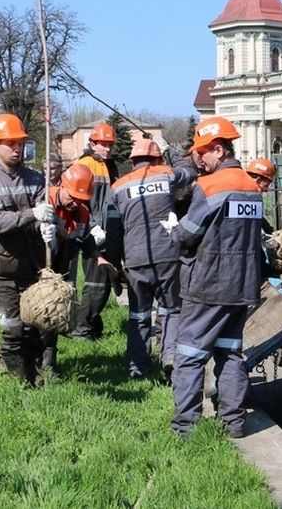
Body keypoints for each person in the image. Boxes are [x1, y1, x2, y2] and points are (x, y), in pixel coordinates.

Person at [165, 116, 263, 439]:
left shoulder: (209, 187)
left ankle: (185, 429)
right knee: (230, 353)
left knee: (190, 355)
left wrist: (173, 229)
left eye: (203, 153)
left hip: (207, 286)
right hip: (242, 286)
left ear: (218, 150)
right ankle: (234, 424)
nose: (199, 159)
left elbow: (188, 234)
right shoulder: (252, 186)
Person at [112, 138, 196, 382]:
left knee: (138, 315)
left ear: (132, 161)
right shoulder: (166, 175)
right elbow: (189, 172)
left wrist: (115, 262)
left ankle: (137, 368)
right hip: (168, 255)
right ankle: (170, 356)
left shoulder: (117, 187)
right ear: (158, 158)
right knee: (171, 310)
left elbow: (114, 228)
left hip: (135, 259)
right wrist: (173, 152)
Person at [0, 113, 47, 386]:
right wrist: (33, 214)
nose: (17, 149)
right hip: (2, 269)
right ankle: (19, 381)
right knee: (12, 328)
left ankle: (35, 374)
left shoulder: (36, 178)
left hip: (32, 266)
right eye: (10, 143)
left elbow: (44, 213)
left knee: (33, 326)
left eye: (20, 143)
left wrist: (49, 226)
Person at [32, 162, 103, 378]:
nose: (75, 203)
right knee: (35, 316)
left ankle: (49, 364)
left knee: (55, 314)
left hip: (61, 268)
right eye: (72, 196)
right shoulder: (47, 200)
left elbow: (81, 239)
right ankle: (31, 362)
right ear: (62, 186)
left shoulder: (81, 212)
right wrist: (41, 232)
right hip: (36, 266)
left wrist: (94, 248)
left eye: (81, 199)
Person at [70, 122, 124, 340]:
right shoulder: (85, 165)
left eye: (110, 144)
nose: (107, 148)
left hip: (107, 232)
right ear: (92, 143)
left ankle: (92, 326)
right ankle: (81, 329)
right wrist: (91, 227)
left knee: (102, 284)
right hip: (93, 233)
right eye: (103, 144)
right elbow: (81, 201)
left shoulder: (109, 166)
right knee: (97, 285)